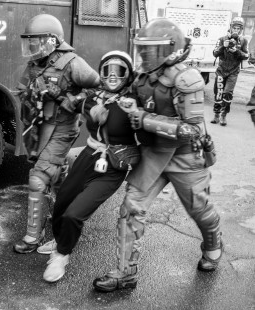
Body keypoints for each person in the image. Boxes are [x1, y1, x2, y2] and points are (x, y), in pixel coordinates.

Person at [92, 18, 223, 293]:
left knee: (199, 210)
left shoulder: (186, 78)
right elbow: (122, 92)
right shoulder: (143, 75)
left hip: (186, 156)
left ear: (171, 50)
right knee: (131, 208)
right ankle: (126, 273)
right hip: (153, 153)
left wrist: (145, 119)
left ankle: (213, 243)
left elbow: (191, 130)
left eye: (152, 51)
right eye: (143, 50)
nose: (145, 56)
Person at [40, 51, 140, 282]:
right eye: (108, 70)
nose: (113, 76)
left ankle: (61, 255)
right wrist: (52, 91)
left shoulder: (134, 103)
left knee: (75, 214)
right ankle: (60, 238)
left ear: (129, 74)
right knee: (62, 201)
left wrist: (137, 115)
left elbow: (149, 134)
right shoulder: (93, 97)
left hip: (113, 166)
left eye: (120, 71)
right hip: (88, 157)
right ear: (101, 73)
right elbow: (69, 102)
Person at [13, 14, 100, 254]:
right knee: (58, 177)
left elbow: (102, 87)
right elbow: (21, 91)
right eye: (30, 42)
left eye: (36, 41)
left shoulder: (72, 63)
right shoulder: (34, 65)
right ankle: (65, 214)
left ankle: (33, 236)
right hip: (41, 128)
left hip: (63, 129)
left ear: (51, 41)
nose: (32, 47)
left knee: (38, 177)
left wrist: (69, 99)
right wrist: (36, 93)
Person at [211, 16, 249, 126]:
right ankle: (216, 114)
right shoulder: (222, 39)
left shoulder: (243, 41)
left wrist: (236, 51)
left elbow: (246, 56)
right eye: (234, 28)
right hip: (221, 70)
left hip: (233, 71)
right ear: (231, 28)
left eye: (238, 29)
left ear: (241, 30)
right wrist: (223, 46)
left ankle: (223, 115)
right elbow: (214, 53)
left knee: (227, 93)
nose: (236, 30)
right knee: (218, 93)